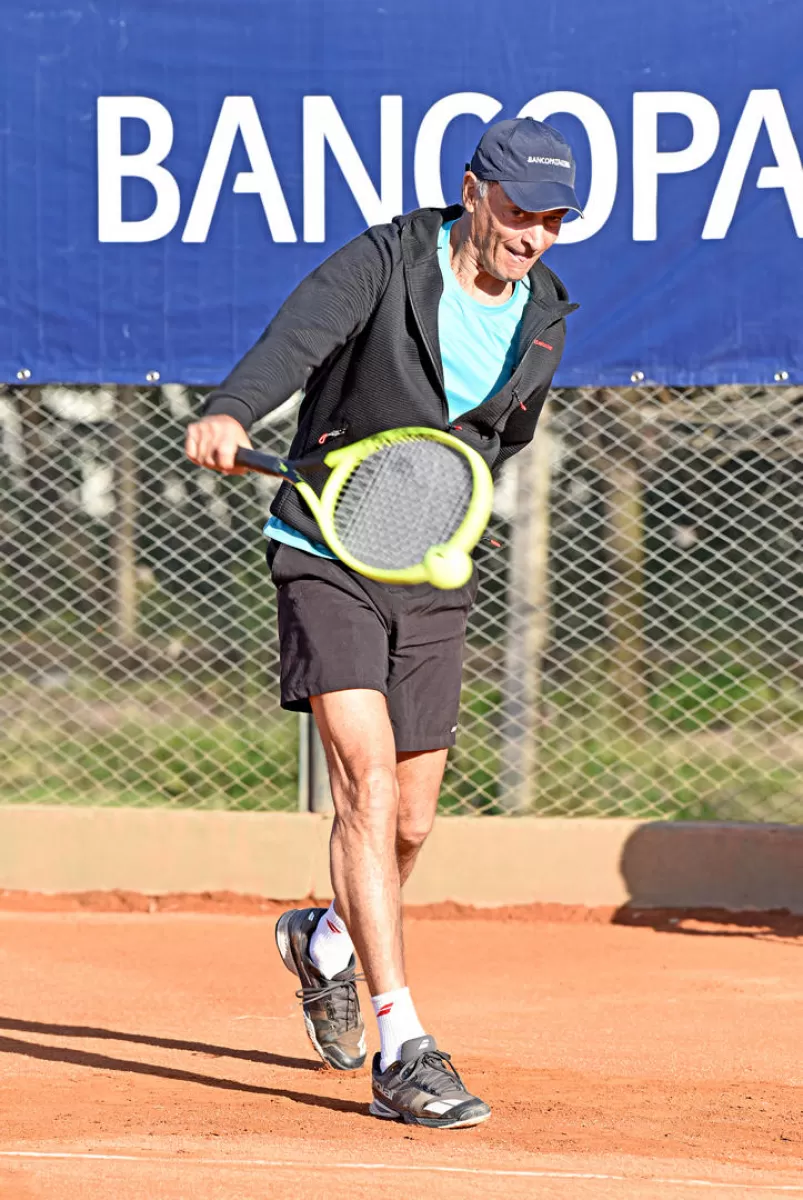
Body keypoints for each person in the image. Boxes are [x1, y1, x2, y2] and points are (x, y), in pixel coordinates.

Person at [185, 116, 581, 1129]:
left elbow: (490, 443)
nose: (532, 234)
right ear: (473, 191)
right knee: (361, 783)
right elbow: (295, 337)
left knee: (409, 820)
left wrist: (446, 521)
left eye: (552, 218)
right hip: (324, 549)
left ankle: (324, 938)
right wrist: (235, 408)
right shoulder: (388, 259)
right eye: (519, 209)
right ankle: (402, 1044)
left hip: (428, 567)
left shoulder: (544, 317)